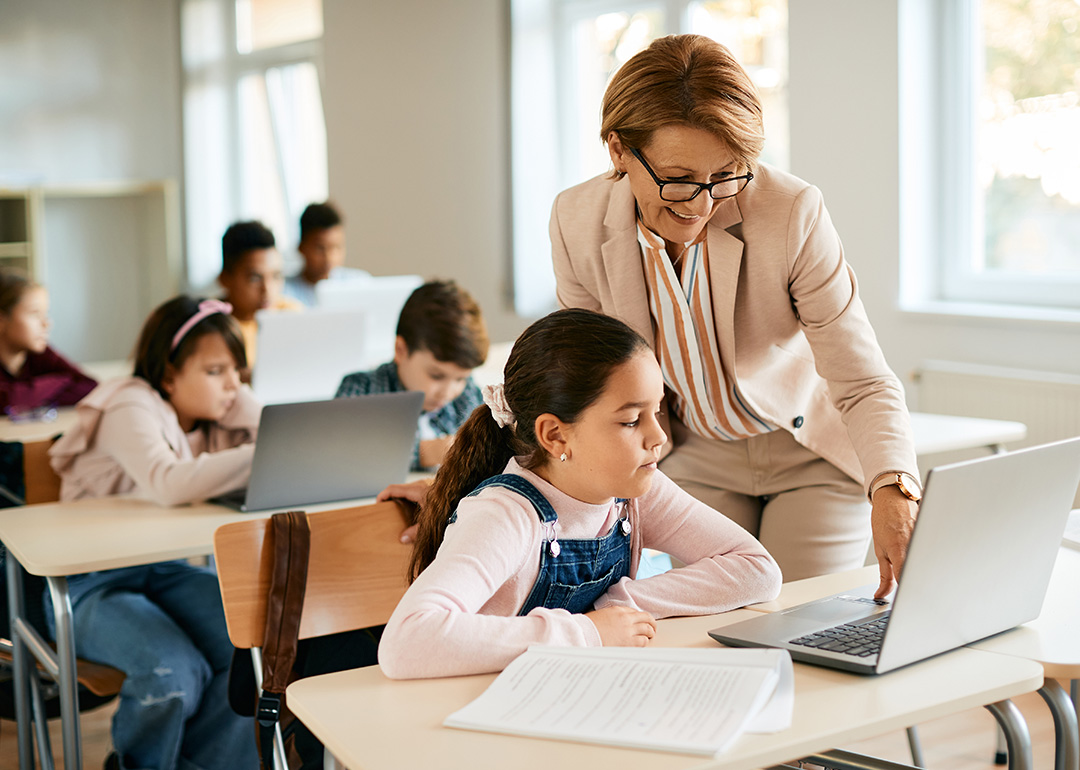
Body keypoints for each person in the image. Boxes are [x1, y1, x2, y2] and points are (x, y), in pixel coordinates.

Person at [549, 34, 920, 595]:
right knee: (721, 628)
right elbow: (580, 384)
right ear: (619, 151)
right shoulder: (575, 221)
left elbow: (861, 377)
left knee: (806, 628)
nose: (700, 204)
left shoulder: (791, 211)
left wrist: (894, 489)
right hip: (694, 456)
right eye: (677, 177)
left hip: (809, 452)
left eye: (725, 175)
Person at [378, 308, 781, 679]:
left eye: (657, 411)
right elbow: (407, 642)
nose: (658, 437)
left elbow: (757, 570)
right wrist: (586, 631)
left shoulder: (636, 491)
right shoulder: (505, 515)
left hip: (578, 690)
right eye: (629, 421)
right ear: (555, 435)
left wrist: (622, 602)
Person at [47, 295, 260, 770]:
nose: (232, 385)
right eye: (215, 371)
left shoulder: (214, 415)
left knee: (251, 648)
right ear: (167, 374)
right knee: (172, 674)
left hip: (162, 572)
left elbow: (282, 437)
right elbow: (168, 481)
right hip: (87, 584)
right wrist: (267, 447)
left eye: (238, 372)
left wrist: (242, 399)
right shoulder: (129, 402)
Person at [336, 280, 488, 470]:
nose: (448, 392)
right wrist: (426, 452)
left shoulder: (468, 395)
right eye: (436, 376)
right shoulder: (361, 390)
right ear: (401, 350)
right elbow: (341, 453)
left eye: (460, 378)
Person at [0, 268, 96, 413]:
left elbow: (90, 386)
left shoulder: (41, 354)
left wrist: (30, 398)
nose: (47, 323)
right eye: (34, 314)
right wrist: (59, 381)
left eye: (46, 313)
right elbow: (8, 400)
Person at [218, 220, 301, 371]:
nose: (268, 290)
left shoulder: (292, 313)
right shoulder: (212, 328)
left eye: (276, 276)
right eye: (255, 278)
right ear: (225, 279)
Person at [283, 201, 369, 306]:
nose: (329, 258)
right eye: (320, 248)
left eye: (336, 247)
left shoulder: (359, 284)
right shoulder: (284, 292)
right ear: (301, 247)